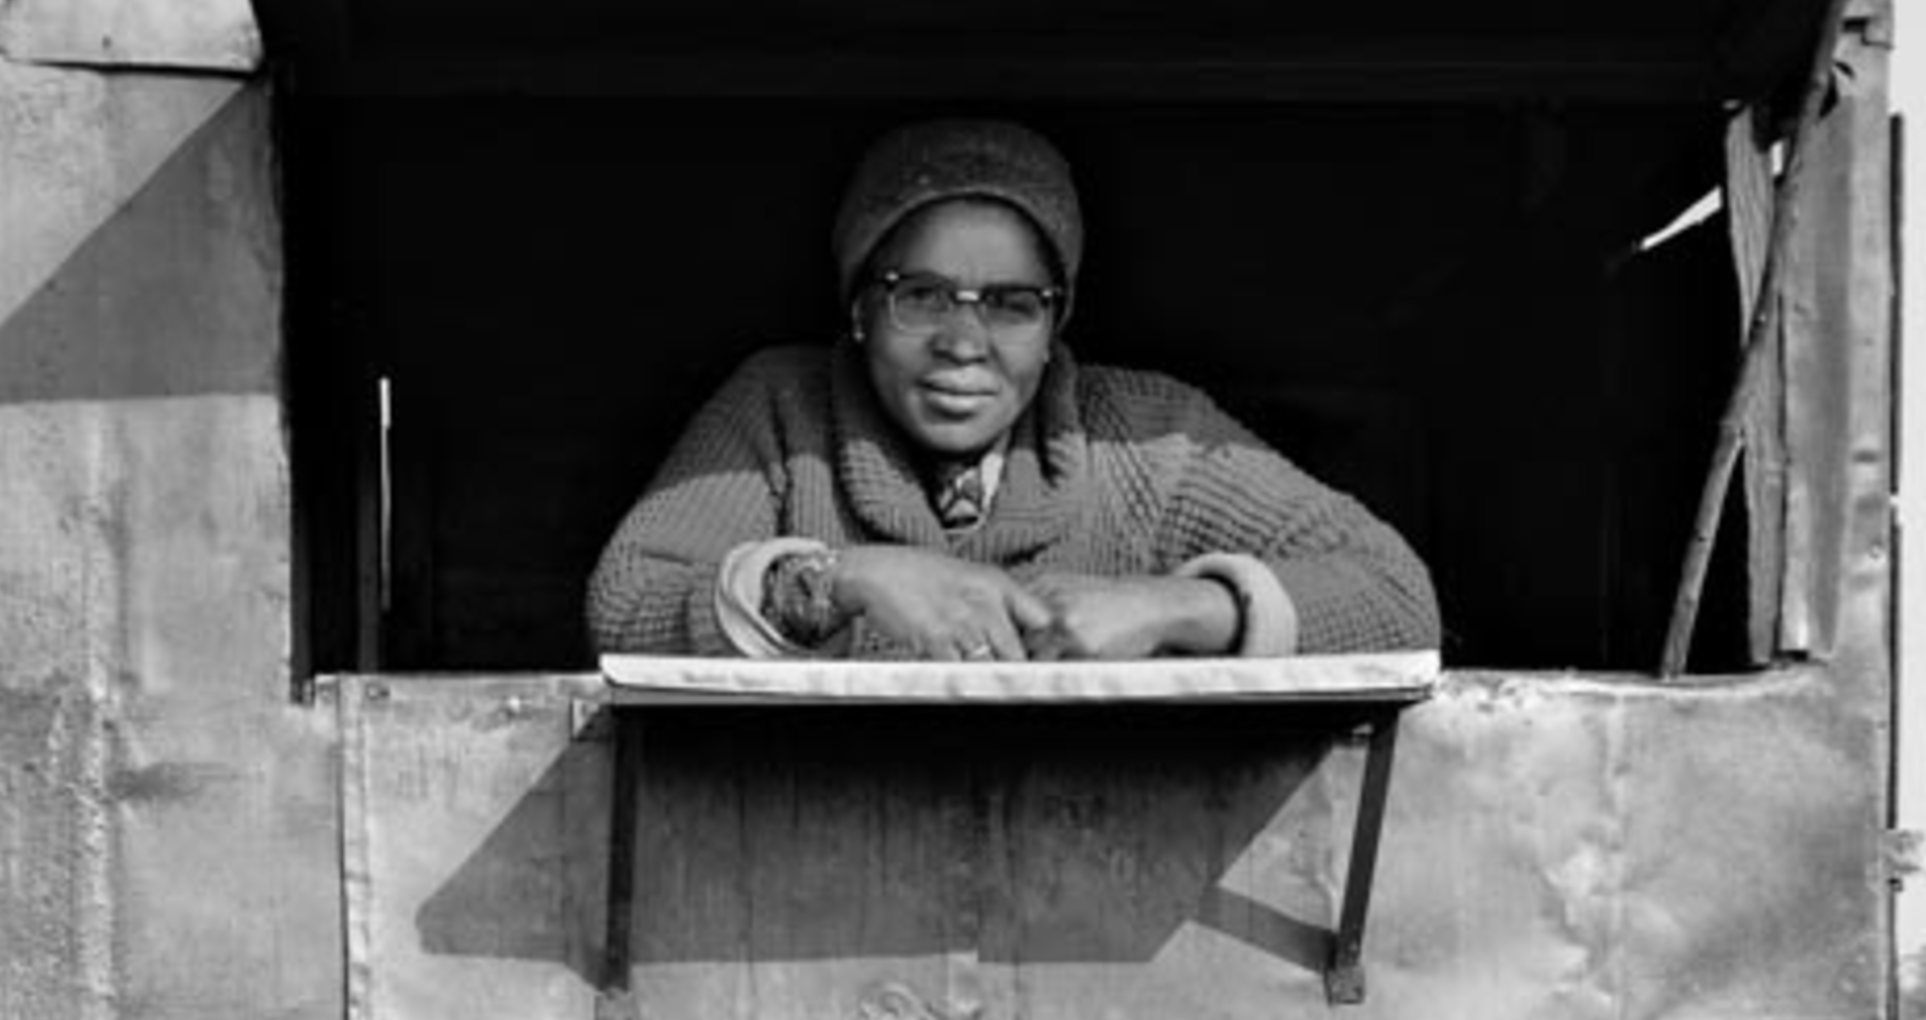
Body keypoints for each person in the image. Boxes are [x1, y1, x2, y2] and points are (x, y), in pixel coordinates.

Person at [584, 117, 1437, 664]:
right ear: (857, 308)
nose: (964, 344)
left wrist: (1178, 607)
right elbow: (626, 604)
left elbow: (1397, 600)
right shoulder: (782, 411)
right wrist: (840, 580)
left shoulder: (1147, 439)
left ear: (1057, 320)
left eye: (1011, 305)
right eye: (920, 295)